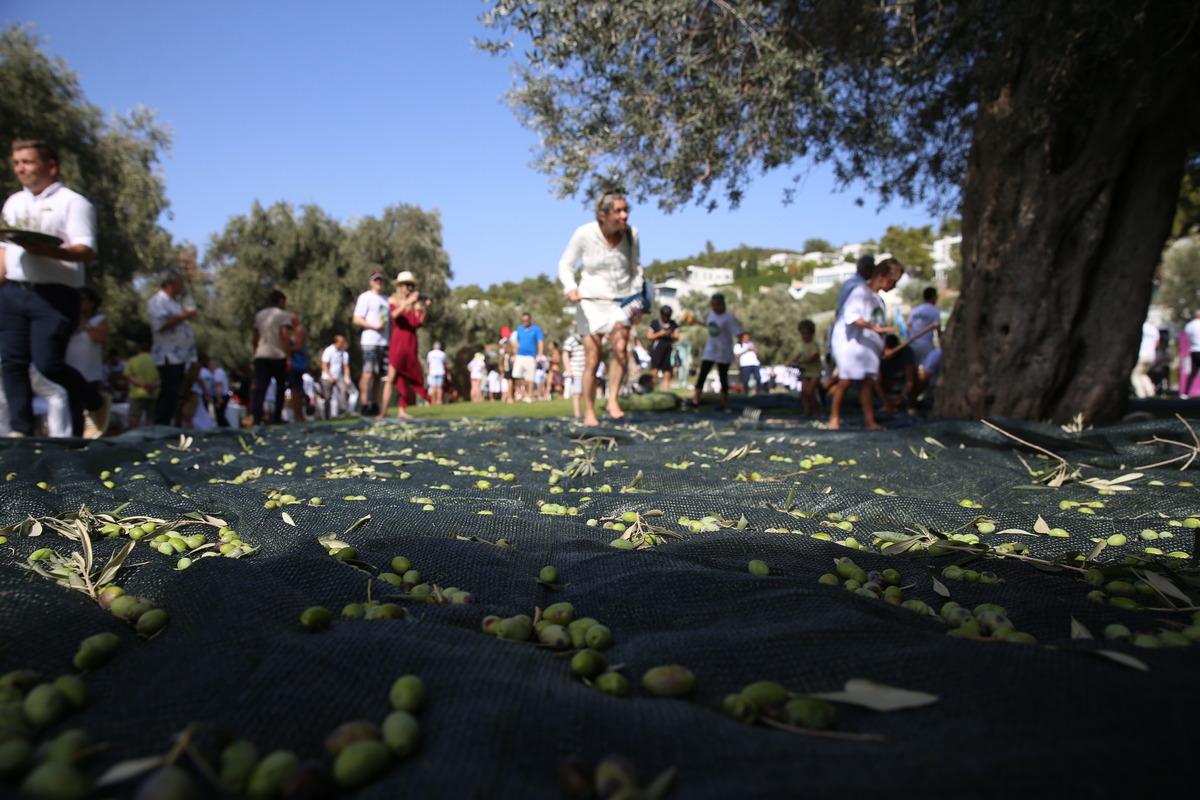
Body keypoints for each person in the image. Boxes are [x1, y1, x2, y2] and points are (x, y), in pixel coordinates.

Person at [0, 139, 110, 438]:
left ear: (50, 166)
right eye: (17, 162)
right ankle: (20, 432)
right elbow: (4, 250)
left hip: (55, 295)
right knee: (12, 362)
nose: (20, 168)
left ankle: (93, 399)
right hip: (14, 291)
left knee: (48, 363)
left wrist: (46, 251)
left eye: (28, 161)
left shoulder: (73, 203)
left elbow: (85, 250)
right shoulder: (14, 203)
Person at [558, 190, 643, 426]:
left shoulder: (632, 235)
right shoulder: (584, 233)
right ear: (602, 215)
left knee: (621, 347)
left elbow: (636, 269)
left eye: (626, 210)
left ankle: (613, 400)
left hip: (620, 301)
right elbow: (565, 264)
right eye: (618, 211)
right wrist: (570, 288)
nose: (624, 215)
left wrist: (636, 300)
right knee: (592, 358)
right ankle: (589, 413)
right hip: (590, 301)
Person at [828, 260, 896, 430]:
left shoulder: (878, 300)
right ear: (882, 276)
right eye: (892, 281)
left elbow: (877, 323)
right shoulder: (859, 292)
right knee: (845, 380)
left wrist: (883, 345)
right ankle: (833, 418)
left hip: (866, 346)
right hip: (851, 344)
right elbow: (852, 317)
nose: (894, 286)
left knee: (866, 382)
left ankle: (869, 420)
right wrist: (875, 328)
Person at [147, 271, 198, 427]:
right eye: (180, 282)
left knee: (176, 392)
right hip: (168, 355)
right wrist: (184, 316)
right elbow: (160, 325)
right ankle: (160, 425)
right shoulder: (157, 301)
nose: (182, 286)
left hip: (180, 356)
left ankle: (169, 425)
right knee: (168, 391)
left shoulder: (173, 303)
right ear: (171, 283)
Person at [379, 271, 430, 420]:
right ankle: (383, 411)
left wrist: (425, 309)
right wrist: (408, 303)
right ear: (400, 286)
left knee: (405, 379)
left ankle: (402, 410)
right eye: (407, 285)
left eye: (412, 286)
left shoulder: (414, 305)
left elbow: (418, 323)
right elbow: (392, 316)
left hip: (411, 342)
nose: (409, 288)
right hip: (398, 342)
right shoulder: (392, 300)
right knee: (391, 377)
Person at [65, 286, 109, 436]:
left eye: (82, 299)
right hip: (70, 369)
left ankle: (101, 406)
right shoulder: (68, 320)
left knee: (90, 402)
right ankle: (76, 438)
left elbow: (101, 339)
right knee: (74, 408)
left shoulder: (99, 320)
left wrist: (85, 325)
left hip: (89, 372)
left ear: (92, 302)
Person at [691, 293, 741, 411]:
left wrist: (741, 343)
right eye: (713, 305)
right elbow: (710, 326)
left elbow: (737, 333)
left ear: (723, 305)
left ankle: (724, 403)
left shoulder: (729, 318)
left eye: (717, 305)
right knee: (702, 374)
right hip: (711, 349)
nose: (715, 308)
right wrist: (697, 322)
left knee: (723, 376)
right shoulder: (711, 315)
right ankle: (696, 400)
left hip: (723, 351)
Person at [352, 269, 391, 416]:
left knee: (378, 375)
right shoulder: (365, 297)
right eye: (376, 280)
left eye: (381, 280)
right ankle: (363, 403)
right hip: (370, 341)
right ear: (371, 282)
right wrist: (374, 326)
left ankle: (374, 403)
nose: (379, 282)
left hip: (384, 342)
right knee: (367, 373)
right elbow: (357, 318)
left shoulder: (386, 299)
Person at [251, 289, 292, 425]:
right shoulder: (282, 315)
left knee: (260, 388)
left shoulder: (259, 315)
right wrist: (288, 355)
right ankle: (277, 417)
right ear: (280, 301)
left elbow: (255, 336)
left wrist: (255, 350)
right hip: (277, 355)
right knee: (280, 388)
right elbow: (284, 335)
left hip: (261, 354)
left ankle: (257, 418)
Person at [124, 332, 159, 430]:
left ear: (139, 348)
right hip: (153, 393)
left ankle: (133, 436)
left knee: (134, 416)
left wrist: (143, 385)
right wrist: (152, 386)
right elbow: (162, 378)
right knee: (151, 417)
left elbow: (128, 376)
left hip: (137, 394)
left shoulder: (132, 360)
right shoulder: (157, 360)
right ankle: (150, 438)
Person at [878, 334, 917, 414]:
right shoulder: (879, 353)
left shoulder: (906, 352)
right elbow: (876, 381)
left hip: (902, 381)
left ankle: (911, 406)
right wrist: (885, 401)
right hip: (887, 381)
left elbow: (910, 381)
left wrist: (898, 400)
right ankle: (885, 404)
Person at [791, 319, 822, 417]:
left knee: (810, 392)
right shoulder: (802, 345)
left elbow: (815, 356)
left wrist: (803, 361)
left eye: (807, 334)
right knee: (803, 393)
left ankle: (816, 412)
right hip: (805, 372)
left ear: (812, 334)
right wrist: (791, 362)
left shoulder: (813, 345)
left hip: (814, 373)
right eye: (802, 334)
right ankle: (806, 411)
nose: (804, 336)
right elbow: (798, 355)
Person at [512, 313, 544, 402]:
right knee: (516, 375)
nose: (524, 322)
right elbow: (517, 342)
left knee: (530, 377)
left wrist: (540, 355)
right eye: (523, 320)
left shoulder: (536, 329)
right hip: (520, 355)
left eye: (526, 320)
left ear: (530, 320)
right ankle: (523, 393)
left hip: (531, 356)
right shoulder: (520, 329)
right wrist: (514, 353)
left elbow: (540, 342)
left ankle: (529, 396)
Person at [320, 334, 352, 417]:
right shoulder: (329, 351)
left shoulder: (344, 353)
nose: (343, 343)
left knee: (344, 390)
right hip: (327, 377)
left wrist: (347, 377)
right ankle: (327, 416)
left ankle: (343, 411)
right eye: (341, 342)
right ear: (336, 342)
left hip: (338, 377)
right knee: (327, 397)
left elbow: (346, 366)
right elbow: (324, 365)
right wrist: (329, 376)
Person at [286, 312, 309, 422]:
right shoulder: (294, 331)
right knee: (295, 389)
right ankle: (298, 415)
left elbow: (299, 347)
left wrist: (286, 348)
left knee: (296, 389)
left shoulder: (299, 330)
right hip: (296, 363)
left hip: (297, 363)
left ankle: (298, 415)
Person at [562, 326, 587, 419]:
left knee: (585, 393)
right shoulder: (571, 340)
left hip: (586, 370)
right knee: (577, 393)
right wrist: (568, 369)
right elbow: (565, 355)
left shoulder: (587, 339)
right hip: (576, 370)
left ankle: (587, 413)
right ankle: (577, 415)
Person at [1183, 310, 1200, 398]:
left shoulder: (1189, 325)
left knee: (1193, 373)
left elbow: (1187, 335)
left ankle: (1185, 393)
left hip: (1194, 350)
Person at [426, 340, 447, 405]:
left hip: (432, 372)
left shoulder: (430, 353)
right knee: (439, 387)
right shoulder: (442, 354)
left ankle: (433, 401)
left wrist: (428, 371)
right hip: (440, 372)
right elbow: (444, 363)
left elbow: (428, 364)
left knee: (433, 387)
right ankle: (439, 401)